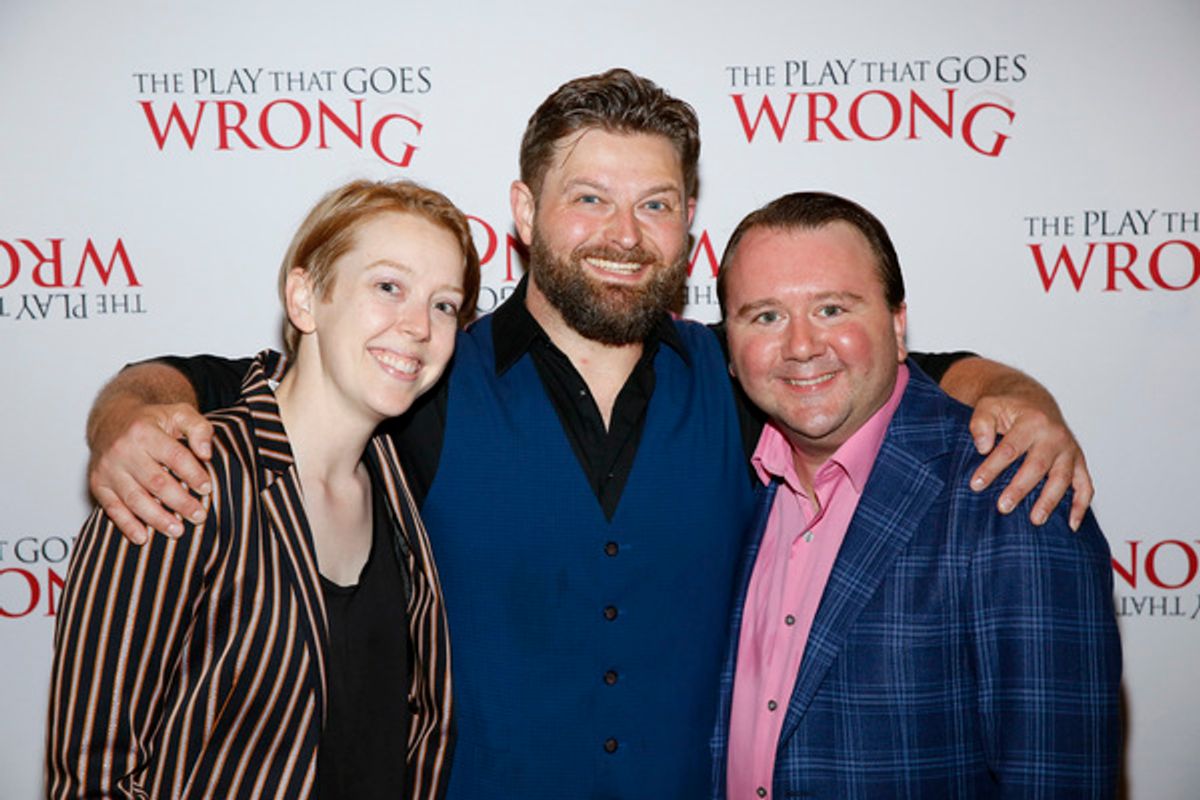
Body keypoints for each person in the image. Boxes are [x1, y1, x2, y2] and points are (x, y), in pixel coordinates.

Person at [83, 70, 1093, 797]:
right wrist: (127, 421)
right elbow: (203, 380)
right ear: (523, 211)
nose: (623, 232)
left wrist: (1018, 394)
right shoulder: (419, 372)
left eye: (654, 202)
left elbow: (892, 369)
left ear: (690, 222)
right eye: (590, 199)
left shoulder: (746, 371)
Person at [47, 179, 479, 799]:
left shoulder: (401, 484)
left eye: (444, 305)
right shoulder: (184, 475)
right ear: (305, 299)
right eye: (389, 287)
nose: (418, 326)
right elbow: (95, 775)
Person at [711, 192, 1121, 798]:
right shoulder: (740, 480)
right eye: (765, 316)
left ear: (898, 326)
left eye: (831, 309)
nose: (800, 346)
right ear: (729, 349)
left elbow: (1055, 778)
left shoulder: (1011, 492)